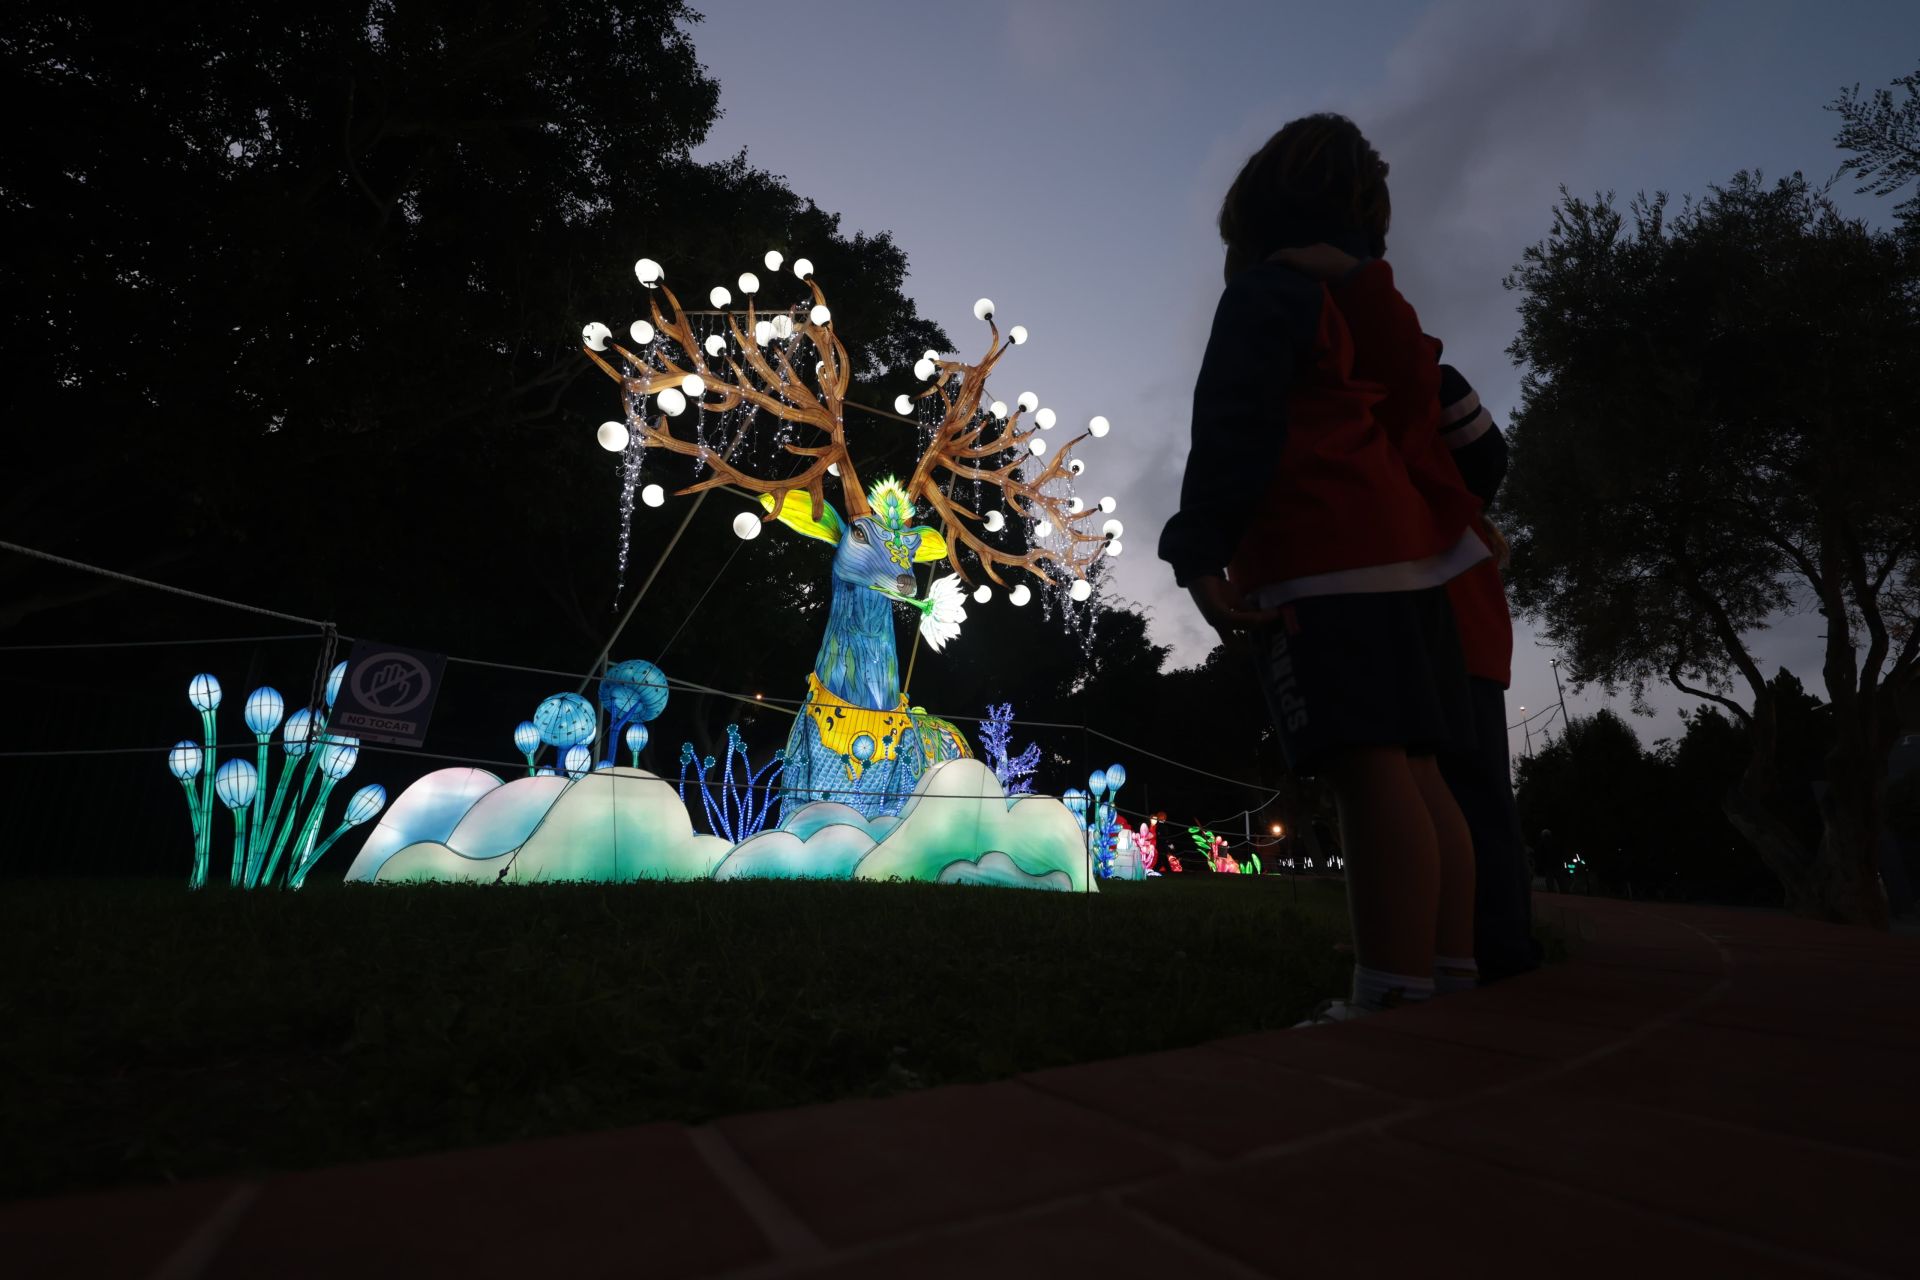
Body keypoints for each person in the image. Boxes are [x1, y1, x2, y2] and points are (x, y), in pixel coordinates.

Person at [1159, 113, 1486, 1021]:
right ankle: (1448, 976)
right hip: (1413, 559)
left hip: (1324, 554)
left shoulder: (1269, 292)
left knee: (1366, 770)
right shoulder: (1367, 298)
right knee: (1418, 771)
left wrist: (1200, 546)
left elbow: (1237, 423)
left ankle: (1387, 993)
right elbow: (1422, 401)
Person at [1429, 365, 1543, 981]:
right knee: (1475, 798)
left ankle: (1494, 945)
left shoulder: (1425, 383)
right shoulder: (1466, 520)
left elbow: (1484, 451)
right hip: (1470, 643)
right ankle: (1485, 940)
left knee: (1465, 796)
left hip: (1453, 640)